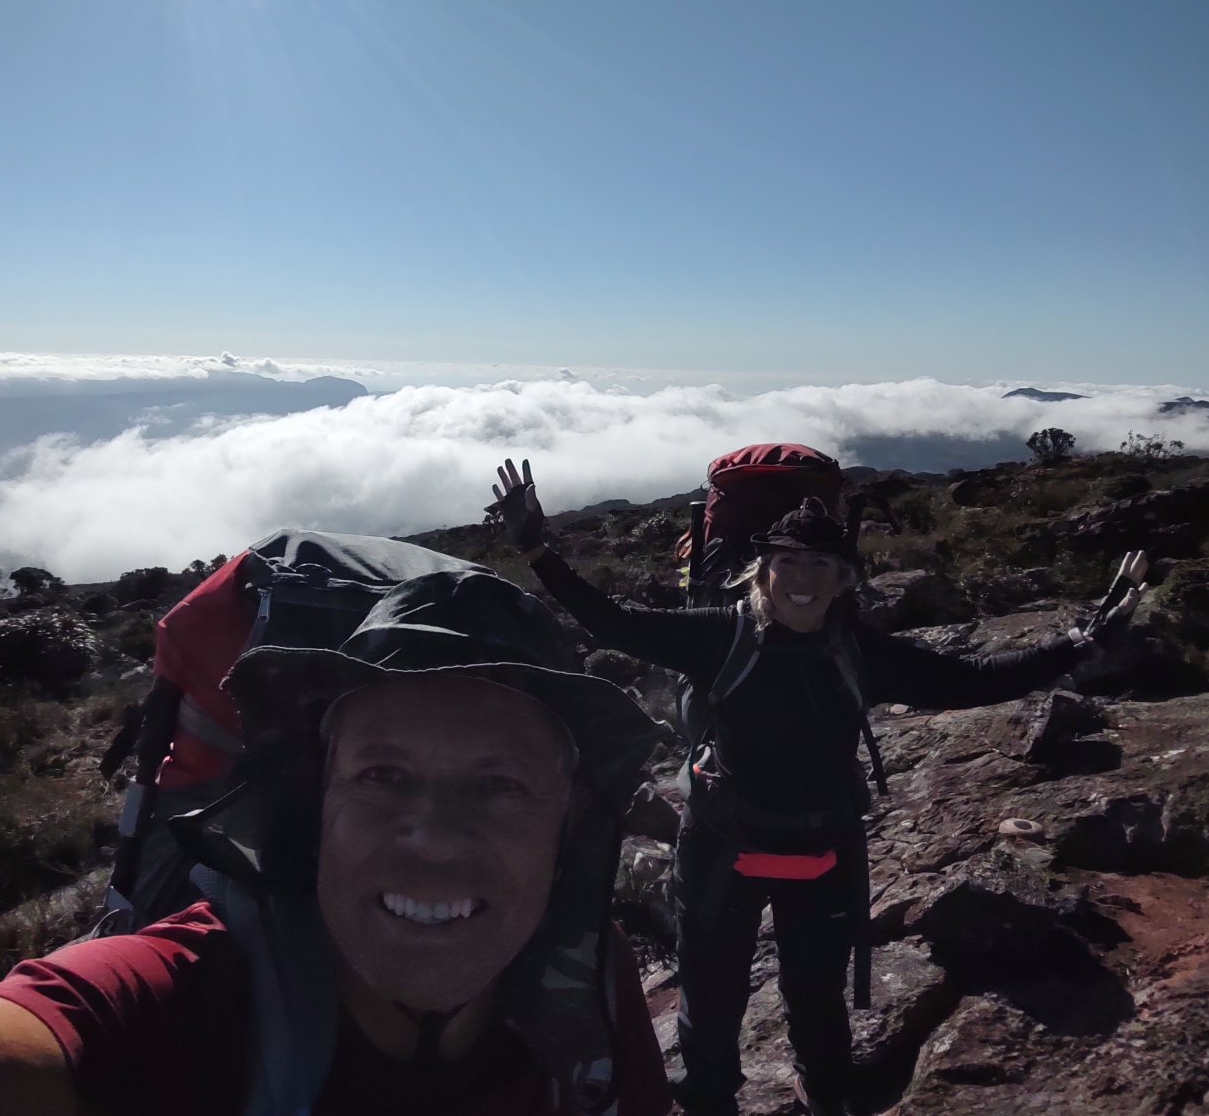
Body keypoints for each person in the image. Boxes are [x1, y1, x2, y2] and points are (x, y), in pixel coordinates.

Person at [0, 570, 675, 1116]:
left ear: (566, 823)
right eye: (383, 775)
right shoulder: (182, 1001)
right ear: (317, 801)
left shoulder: (591, 986)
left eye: (500, 784)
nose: (436, 838)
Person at [489, 459, 1147, 1116]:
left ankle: (823, 1095)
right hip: (726, 846)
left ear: (842, 579)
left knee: (816, 994)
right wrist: (537, 549)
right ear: (763, 571)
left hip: (815, 848)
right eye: (788, 563)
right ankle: (716, 1101)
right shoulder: (721, 636)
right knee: (712, 997)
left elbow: (970, 678)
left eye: (820, 565)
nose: (802, 579)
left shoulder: (859, 651)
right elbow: (613, 622)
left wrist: (1078, 642)